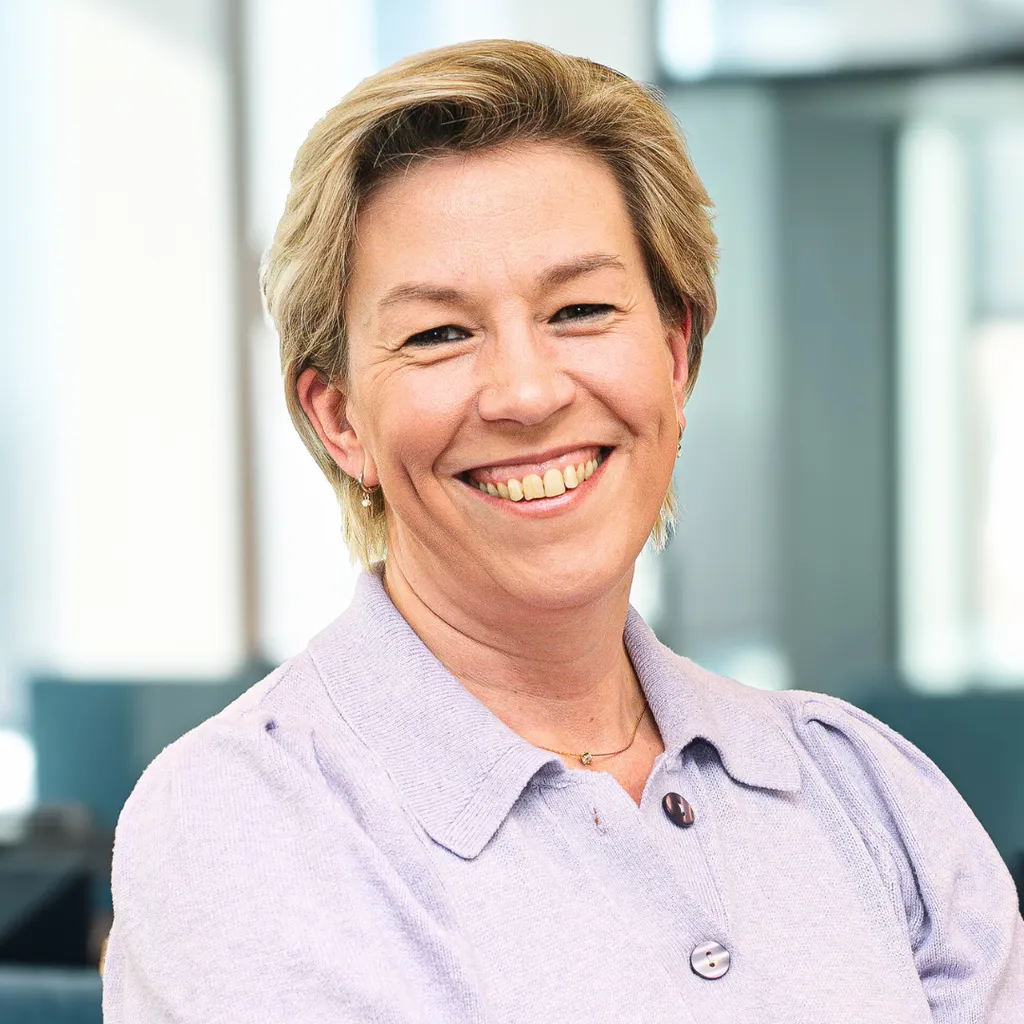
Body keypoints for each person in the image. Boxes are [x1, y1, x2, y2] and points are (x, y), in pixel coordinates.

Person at [101, 39, 1024, 1023]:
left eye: (580, 309)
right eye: (437, 334)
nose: (529, 392)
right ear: (339, 419)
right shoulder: (240, 820)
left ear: (673, 360)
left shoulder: (865, 788)